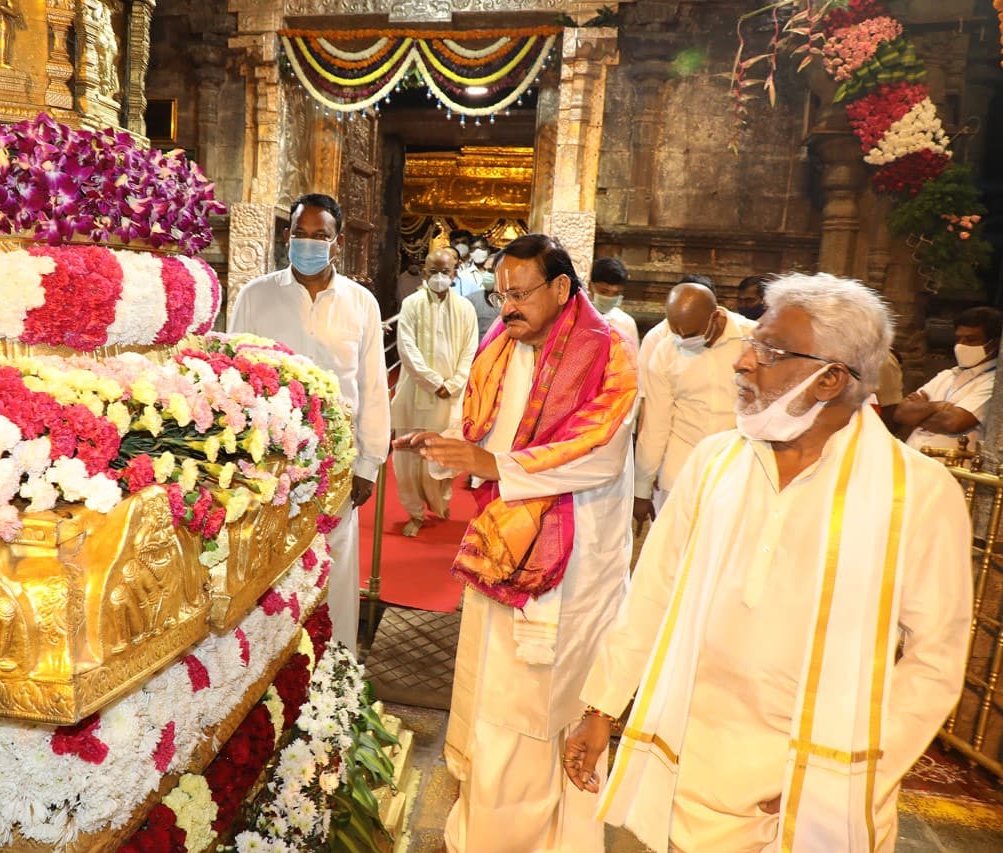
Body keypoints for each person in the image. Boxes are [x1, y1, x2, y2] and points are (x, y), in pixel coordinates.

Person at [564, 273, 972, 853]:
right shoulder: (714, 462)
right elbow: (651, 592)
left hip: (808, 786)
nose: (743, 363)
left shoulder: (918, 493)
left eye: (769, 351)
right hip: (688, 762)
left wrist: (837, 780)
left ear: (831, 378)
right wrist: (600, 705)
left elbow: (935, 660)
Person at [394, 233, 637, 852]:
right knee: (491, 697)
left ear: (561, 288)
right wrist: (446, 448)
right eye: (501, 294)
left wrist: (494, 463)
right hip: (500, 547)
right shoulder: (500, 345)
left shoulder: (607, 352)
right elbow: (477, 427)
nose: (506, 307)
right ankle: (482, 828)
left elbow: (598, 458)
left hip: (569, 565)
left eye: (520, 294)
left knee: (541, 711)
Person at [229, 193, 389, 654]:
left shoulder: (361, 303)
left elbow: (373, 387)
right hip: (271, 461)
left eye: (321, 236)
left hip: (337, 461)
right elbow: (235, 374)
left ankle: (334, 670)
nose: (309, 243)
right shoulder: (256, 295)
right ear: (287, 236)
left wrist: (369, 464)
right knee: (268, 566)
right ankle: (267, 666)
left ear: (336, 243)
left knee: (335, 565)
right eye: (301, 234)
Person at [633, 281, 754, 528]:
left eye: (690, 334)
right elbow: (655, 424)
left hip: (737, 472)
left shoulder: (752, 338)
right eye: (676, 332)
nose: (682, 340)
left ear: (716, 317)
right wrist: (641, 490)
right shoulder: (665, 351)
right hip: (680, 474)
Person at [391, 248, 479, 537]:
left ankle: (441, 503)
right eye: (434, 272)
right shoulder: (412, 304)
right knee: (409, 462)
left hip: (450, 397)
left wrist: (452, 384)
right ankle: (415, 514)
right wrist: (433, 382)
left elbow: (470, 350)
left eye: (445, 271)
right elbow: (407, 349)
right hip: (414, 394)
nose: (440, 277)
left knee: (444, 457)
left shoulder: (466, 309)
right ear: (425, 272)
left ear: (455, 272)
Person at [895, 305, 1002, 454]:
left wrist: (919, 413)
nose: (961, 345)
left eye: (971, 340)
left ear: (995, 343)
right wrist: (937, 406)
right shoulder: (947, 375)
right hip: (909, 459)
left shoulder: (994, 383)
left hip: (948, 469)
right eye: (959, 338)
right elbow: (901, 413)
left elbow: (953, 422)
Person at [589, 256, 639, 351]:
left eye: (616, 293)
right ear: (590, 286)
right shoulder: (574, 317)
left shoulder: (626, 324)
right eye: (603, 292)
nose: (609, 297)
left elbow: (632, 360)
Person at [464, 250, 500, 341]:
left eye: (491, 271)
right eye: (485, 270)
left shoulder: (517, 302)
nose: (486, 274)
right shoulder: (471, 300)